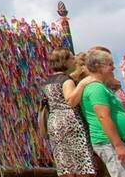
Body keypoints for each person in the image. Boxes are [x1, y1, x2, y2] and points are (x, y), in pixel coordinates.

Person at [81, 50, 125, 177]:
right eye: (110, 64)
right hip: (110, 143)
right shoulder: (96, 88)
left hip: (120, 141)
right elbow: (103, 117)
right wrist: (118, 145)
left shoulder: (102, 87)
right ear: (98, 66)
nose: (113, 67)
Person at [42, 49, 98, 177]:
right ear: (65, 61)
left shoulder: (49, 81)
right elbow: (71, 100)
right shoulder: (66, 80)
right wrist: (82, 84)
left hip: (54, 122)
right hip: (70, 122)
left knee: (65, 164)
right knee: (81, 164)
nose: (74, 61)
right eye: (72, 58)